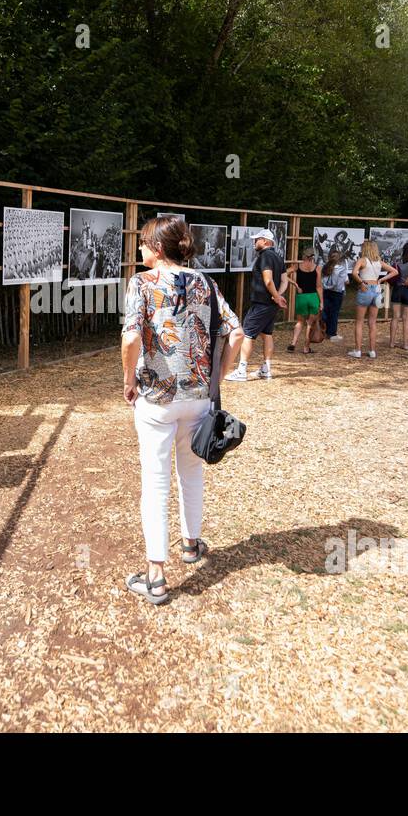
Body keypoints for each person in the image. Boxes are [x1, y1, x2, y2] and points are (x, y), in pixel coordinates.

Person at [121, 216, 243, 605]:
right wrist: (217, 380)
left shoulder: (142, 283)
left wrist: (128, 380)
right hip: (198, 397)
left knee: (155, 481)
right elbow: (236, 333)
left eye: (142, 243)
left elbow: (130, 339)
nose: (139, 250)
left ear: (157, 248)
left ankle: (156, 575)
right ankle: (191, 544)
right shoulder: (206, 282)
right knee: (191, 472)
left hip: (156, 398)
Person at [227, 229, 286, 380]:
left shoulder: (265, 256)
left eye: (257, 239)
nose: (254, 242)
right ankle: (266, 369)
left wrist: (275, 296)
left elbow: (268, 280)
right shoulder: (279, 258)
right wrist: (278, 296)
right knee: (267, 334)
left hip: (261, 302)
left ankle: (241, 370)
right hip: (271, 304)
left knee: (247, 333)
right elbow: (285, 281)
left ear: (265, 241)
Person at [348, 239, 397, 359]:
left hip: (365, 289)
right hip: (376, 290)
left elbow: (354, 273)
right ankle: (372, 351)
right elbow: (394, 271)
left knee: (359, 322)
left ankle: (358, 350)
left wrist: (361, 282)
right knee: (372, 322)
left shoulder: (362, 260)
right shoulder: (379, 262)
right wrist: (381, 280)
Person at [286, 247, 323, 353]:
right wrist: (321, 302)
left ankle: (293, 343)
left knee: (299, 322)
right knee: (310, 323)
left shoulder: (297, 266)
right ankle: (306, 347)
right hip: (313, 297)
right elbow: (319, 287)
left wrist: (295, 284)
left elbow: (283, 274)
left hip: (301, 297)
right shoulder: (317, 268)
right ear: (313, 256)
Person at [388, 242, 408, 350]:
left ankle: (392, 343)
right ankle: (405, 344)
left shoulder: (398, 261)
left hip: (397, 289)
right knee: (406, 319)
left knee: (395, 317)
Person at [319, 249, 348, 342]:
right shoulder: (341, 268)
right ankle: (332, 333)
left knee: (325, 311)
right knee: (334, 313)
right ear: (339, 258)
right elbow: (346, 281)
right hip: (337, 293)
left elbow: (322, 280)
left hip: (326, 291)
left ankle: (323, 330)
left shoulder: (324, 267)